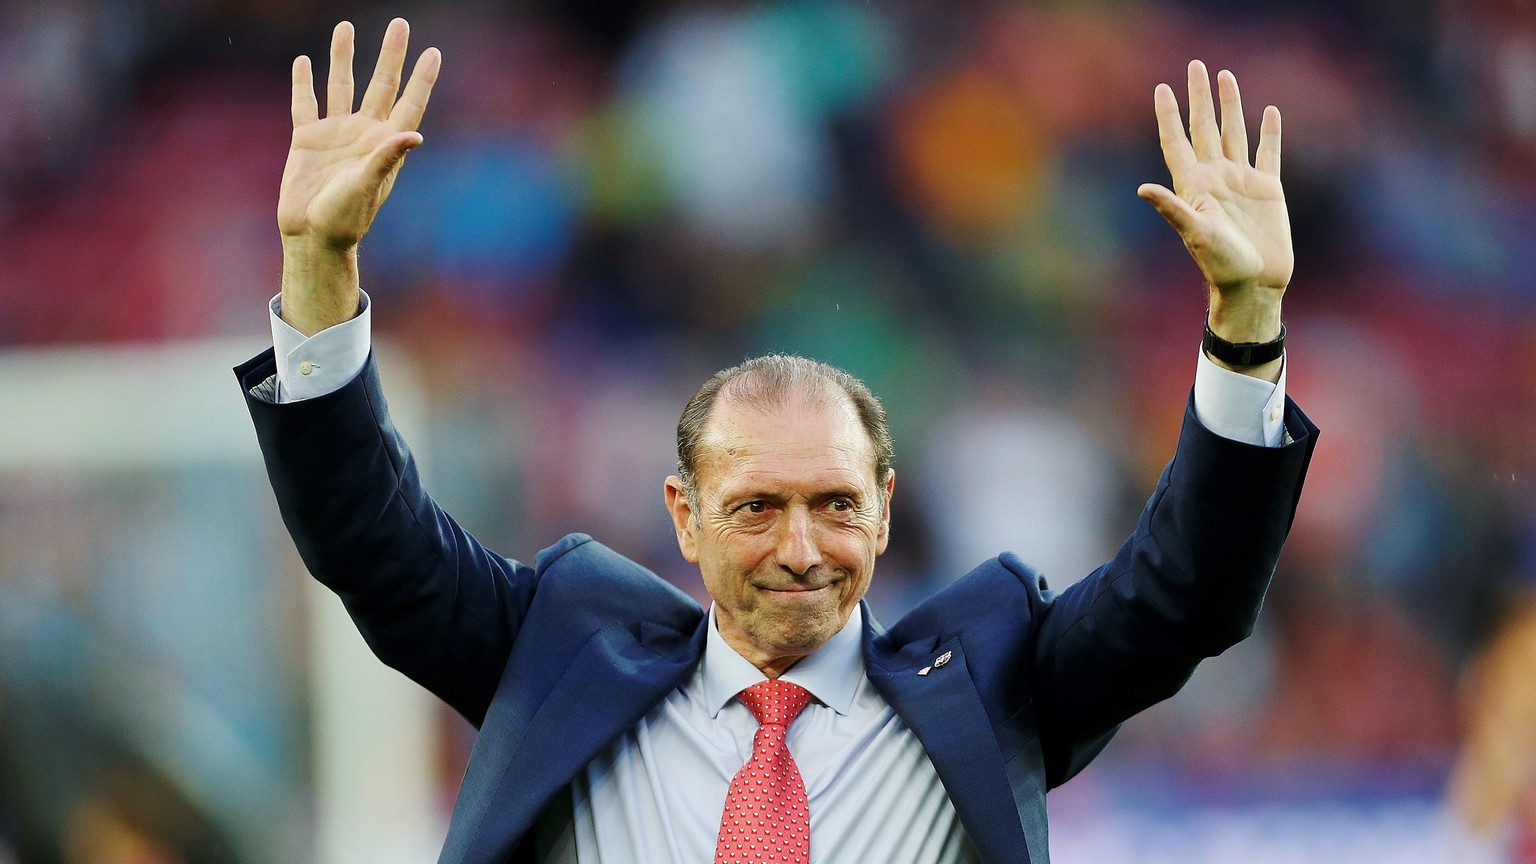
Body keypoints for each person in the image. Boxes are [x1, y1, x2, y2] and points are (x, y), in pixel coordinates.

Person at [234, 18, 1317, 864]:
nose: (802, 546)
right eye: (757, 506)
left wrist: (1246, 322)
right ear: (684, 516)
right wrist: (319, 272)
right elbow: (369, 541)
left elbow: (1190, 594)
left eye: (837, 504)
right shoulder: (559, 653)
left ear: (886, 511)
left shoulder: (992, 682)